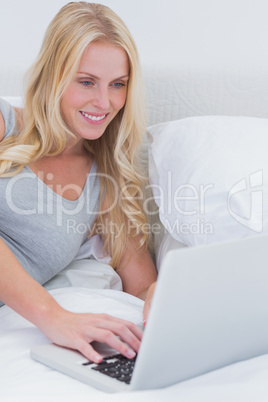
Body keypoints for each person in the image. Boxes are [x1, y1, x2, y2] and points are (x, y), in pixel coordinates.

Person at [0, 2, 157, 364]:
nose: (104, 102)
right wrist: (53, 317)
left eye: (117, 85)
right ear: (52, 75)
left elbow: (141, 286)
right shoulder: (6, 125)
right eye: (86, 82)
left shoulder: (107, 181)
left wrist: (162, 296)